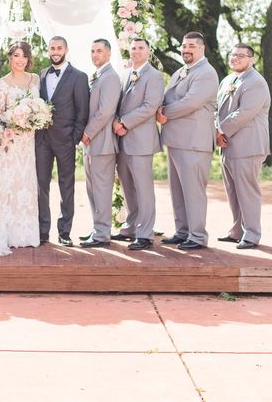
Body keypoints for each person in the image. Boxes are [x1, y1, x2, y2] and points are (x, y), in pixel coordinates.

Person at [157, 32, 218, 250]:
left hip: (194, 142)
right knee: (178, 191)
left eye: (191, 45)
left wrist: (164, 113)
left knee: (193, 191)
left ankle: (198, 236)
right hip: (176, 140)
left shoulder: (206, 73)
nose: (186, 49)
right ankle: (183, 231)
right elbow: (168, 97)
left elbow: (191, 103)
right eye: (183, 46)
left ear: (202, 48)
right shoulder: (180, 72)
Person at [36, 36, 89, 246]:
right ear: (48, 50)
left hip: (66, 140)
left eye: (59, 48)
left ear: (66, 49)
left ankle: (65, 231)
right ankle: (42, 230)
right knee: (41, 185)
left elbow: (82, 112)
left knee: (67, 185)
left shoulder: (79, 77)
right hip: (42, 140)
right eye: (52, 48)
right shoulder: (41, 75)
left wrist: (73, 139)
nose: (55, 51)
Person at [216, 43, 270, 249]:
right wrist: (218, 131)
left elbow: (244, 113)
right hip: (227, 144)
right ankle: (237, 230)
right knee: (232, 191)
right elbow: (217, 110)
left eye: (241, 55)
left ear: (251, 59)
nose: (235, 58)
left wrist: (219, 130)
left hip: (248, 146)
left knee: (247, 191)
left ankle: (252, 234)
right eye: (233, 54)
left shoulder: (256, 82)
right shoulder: (228, 80)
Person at [112, 38, 165, 250]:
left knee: (143, 188)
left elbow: (151, 106)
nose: (136, 51)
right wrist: (116, 121)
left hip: (141, 140)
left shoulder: (154, 76)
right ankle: (131, 226)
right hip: (122, 138)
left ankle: (145, 233)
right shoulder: (125, 73)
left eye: (141, 48)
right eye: (133, 48)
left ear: (149, 51)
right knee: (127, 187)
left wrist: (124, 122)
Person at [79, 39, 120, 248]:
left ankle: (102, 234)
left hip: (102, 143)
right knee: (93, 190)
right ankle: (98, 229)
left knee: (102, 190)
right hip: (91, 144)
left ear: (109, 54)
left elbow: (105, 111)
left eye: (99, 51)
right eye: (92, 51)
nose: (95, 55)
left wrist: (87, 133)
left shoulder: (111, 77)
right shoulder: (98, 76)